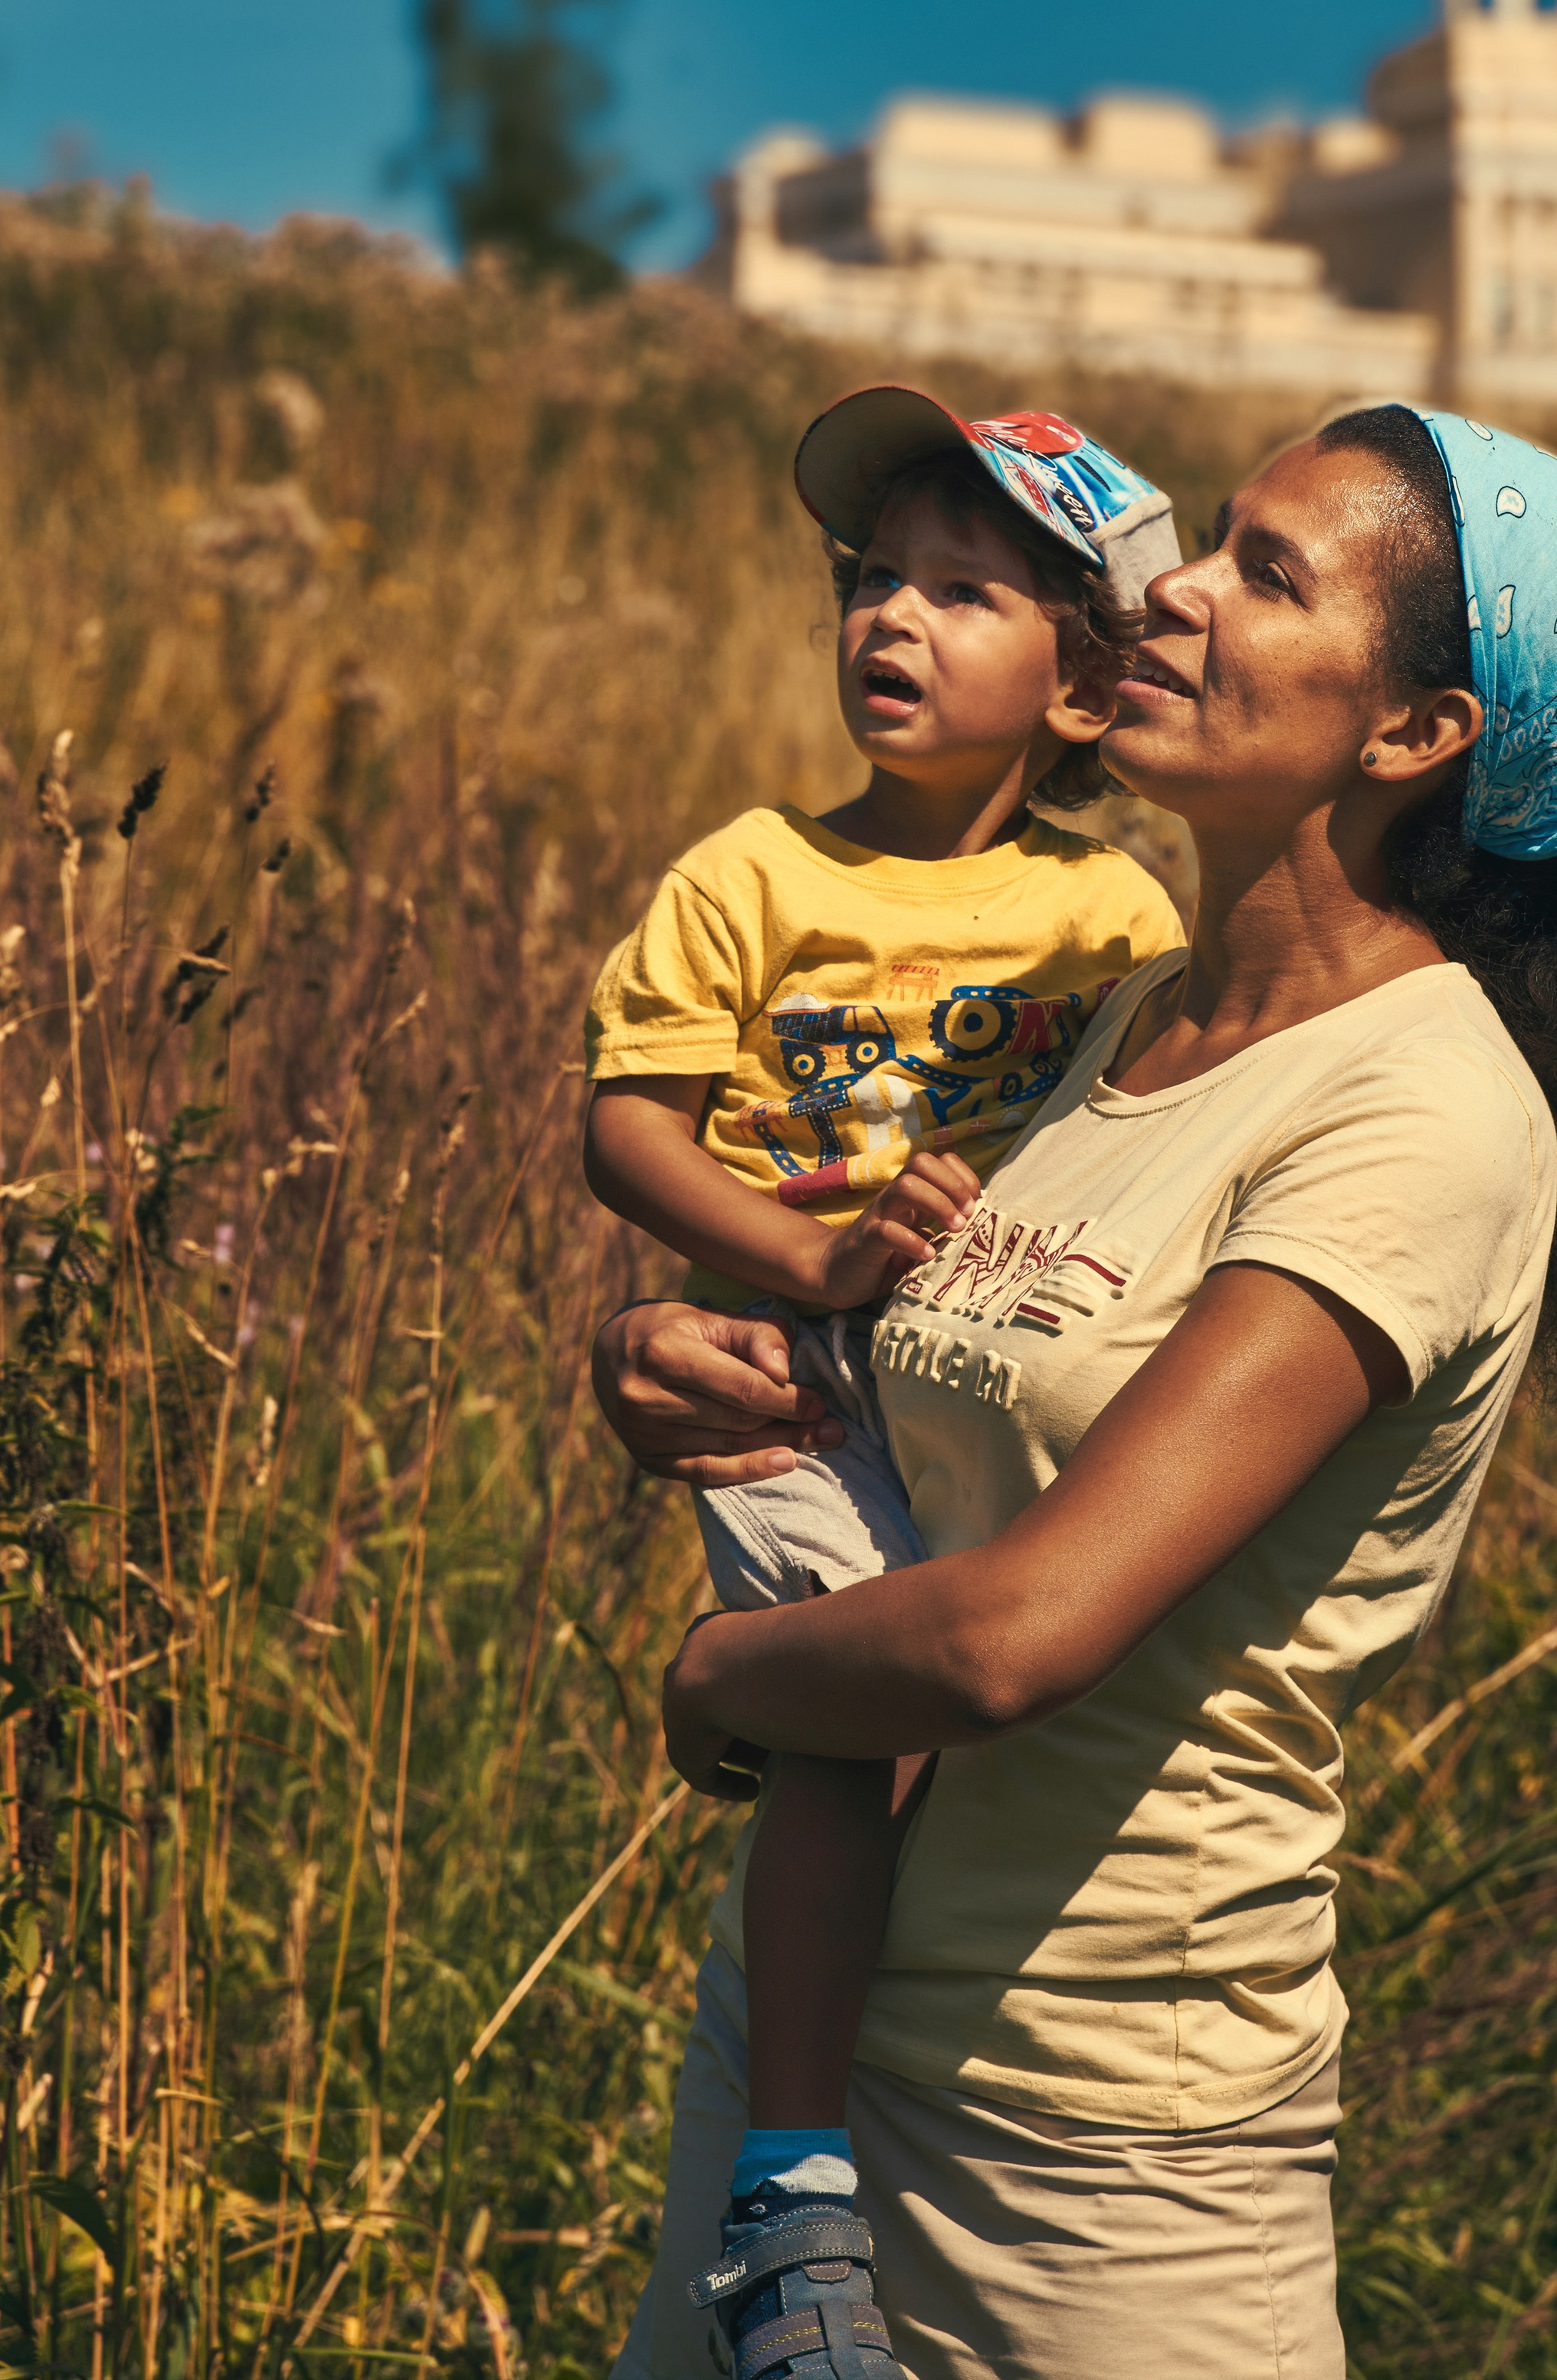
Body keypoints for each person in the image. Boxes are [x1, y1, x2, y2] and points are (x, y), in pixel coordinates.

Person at [596, 403, 1557, 2380]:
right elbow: (944, 1417)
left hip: (1097, 2142)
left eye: (1266, 574)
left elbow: (1014, 1634)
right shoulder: (1121, 1019)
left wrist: (712, 1676)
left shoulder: (1420, 1117)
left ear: (1416, 732)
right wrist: (694, 1363)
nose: (1171, 588)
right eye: (1209, 545)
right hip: (804, 2064)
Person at [580, 383, 1185, 2370]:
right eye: (870, 580)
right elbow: (630, 1126)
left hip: (993, 1360)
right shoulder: (749, 874)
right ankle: (794, 2177)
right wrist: (801, 1263)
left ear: (1083, 680)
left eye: (963, 590)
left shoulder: (1113, 917)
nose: (892, 620)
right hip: (788, 1373)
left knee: (986, 1706)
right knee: (848, 1720)